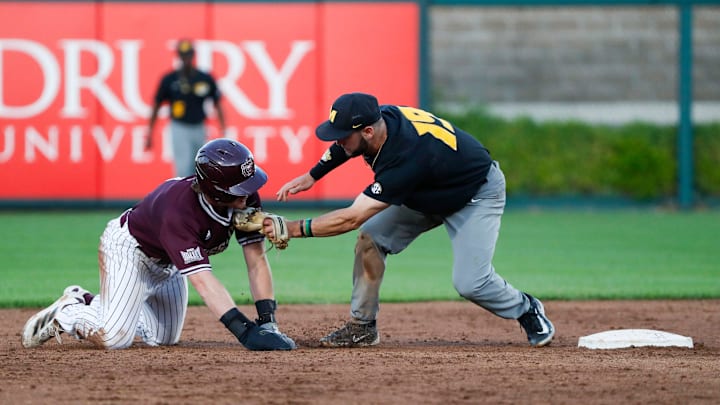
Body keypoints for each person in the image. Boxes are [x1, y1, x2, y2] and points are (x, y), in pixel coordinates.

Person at [272, 92, 555, 348]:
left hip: (475, 193)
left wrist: (293, 229)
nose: (339, 140)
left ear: (368, 131)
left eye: (344, 134)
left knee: (471, 283)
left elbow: (352, 217)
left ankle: (526, 308)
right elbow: (344, 148)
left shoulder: (405, 156)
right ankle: (362, 326)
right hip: (426, 192)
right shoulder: (381, 118)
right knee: (371, 238)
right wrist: (314, 175)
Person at [22, 139, 296, 351]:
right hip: (129, 251)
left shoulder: (243, 195)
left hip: (169, 262)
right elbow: (202, 280)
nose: (248, 193)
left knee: (164, 338)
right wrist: (245, 331)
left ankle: (105, 306)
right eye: (239, 188)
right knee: (114, 337)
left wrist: (267, 320)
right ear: (214, 190)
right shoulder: (178, 212)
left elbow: (256, 258)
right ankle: (72, 308)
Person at [146, 38, 226, 177]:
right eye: (183, 55)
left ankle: (198, 198)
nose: (186, 59)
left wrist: (223, 129)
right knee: (183, 168)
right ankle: (183, 198)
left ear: (193, 55)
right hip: (179, 127)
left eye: (189, 55)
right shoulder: (170, 79)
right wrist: (150, 133)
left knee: (200, 167)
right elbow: (157, 105)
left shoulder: (204, 78)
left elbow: (217, 103)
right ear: (179, 56)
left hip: (199, 127)